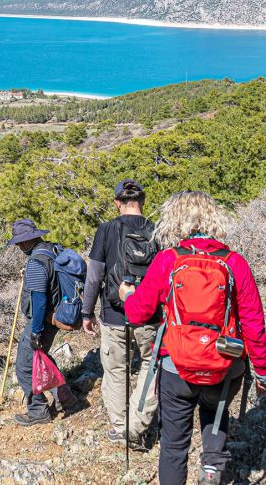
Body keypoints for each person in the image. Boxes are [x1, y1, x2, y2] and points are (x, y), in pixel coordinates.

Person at [120, 191, 266, 485]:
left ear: (175, 220)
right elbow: (254, 322)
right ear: (213, 218)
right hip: (224, 365)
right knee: (215, 415)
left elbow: (138, 313)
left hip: (175, 366)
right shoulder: (234, 263)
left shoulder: (169, 259)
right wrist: (263, 372)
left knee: (174, 444)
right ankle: (211, 470)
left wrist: (128, 296)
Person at [81, 179, 160, 446]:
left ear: (117, 203)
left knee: (116, 371)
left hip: (114, 312)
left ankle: (120, 427)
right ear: (143, 201)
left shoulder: (106, 229)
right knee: (151, 366)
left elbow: (94, 276)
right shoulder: (156, 230)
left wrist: (86, 312)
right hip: (149, 313)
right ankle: (137, 425)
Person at [8, 218, 81, 426]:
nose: (19, 246)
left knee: (24, 366)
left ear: (26, 241)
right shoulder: (51, 250)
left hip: (42, 320)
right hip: (55, 314)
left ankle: (38, 411)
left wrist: (35, 332)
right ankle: (65, 397)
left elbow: (38, 300)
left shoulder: (36, 262)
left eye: (20, 242)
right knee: (41, 358)